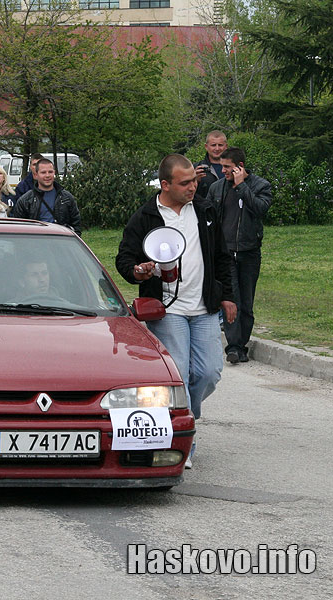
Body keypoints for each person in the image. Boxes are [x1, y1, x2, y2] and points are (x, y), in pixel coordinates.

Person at [116, 153, 236, 469]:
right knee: (178, 374)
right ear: (165, 184)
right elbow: (124, 259)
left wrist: (228, 296)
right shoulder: (145, 216)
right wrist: (138, 272)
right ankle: (185, 438)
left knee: (209, 373)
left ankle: (188, 415)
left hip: (205, 307)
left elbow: (222, 256)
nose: (193, 187)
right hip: (168, 309)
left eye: (194, 181)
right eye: (185, 183)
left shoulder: (206, 210)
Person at [206, 147, 272, 364]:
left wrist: (242, 186)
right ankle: (233, 347)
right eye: (221, 166)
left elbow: (260, 209)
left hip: (249, 252)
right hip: (226, 254)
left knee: (246, 301)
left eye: (227, 167)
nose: (223, 170)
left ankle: (242, 344)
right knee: (231, 299)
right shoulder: (217, 188)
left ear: (239, 167)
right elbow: (207, 214)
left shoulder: (260, 185)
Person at [11, 159, 82, 235]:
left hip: (61, 242)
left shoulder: (67, 198)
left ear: (54, 173)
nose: (47, 175)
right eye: (43, 172)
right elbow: (18, 229)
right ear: (36, 175)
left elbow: (76, 225)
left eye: (50, 172)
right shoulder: (25, 201)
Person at [195, 130, 228, 200]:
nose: (217, 148)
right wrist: (193, 181)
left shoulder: (234, 169)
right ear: (206, 146)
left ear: (226, 146)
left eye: (220, 145)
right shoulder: (196, 169)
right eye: (213, 145)